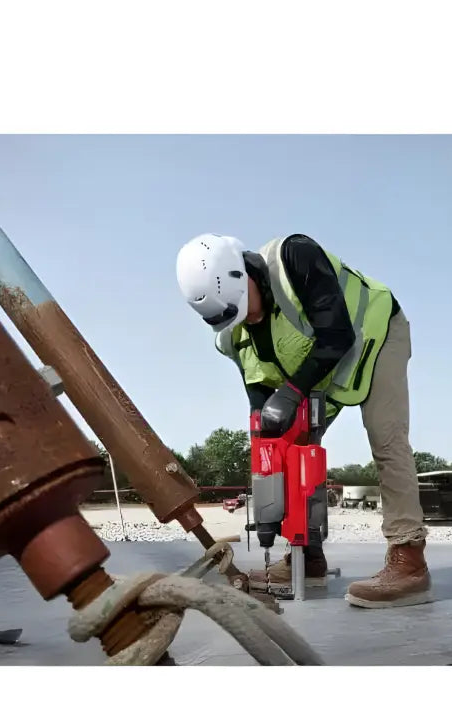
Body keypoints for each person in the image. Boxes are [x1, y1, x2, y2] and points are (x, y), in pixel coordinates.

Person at [176, 232, 434, 608]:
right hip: (318, 369)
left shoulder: (294, 258)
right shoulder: (232, 333)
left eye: (243, 304)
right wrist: (268, 448)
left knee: (386, 438)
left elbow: (337, 334)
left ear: (244, 273)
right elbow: (257, 386)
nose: (246, 317)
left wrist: (293, 391)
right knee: (290, 454)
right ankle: (307, 557)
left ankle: (409, 559)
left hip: (373, 337)